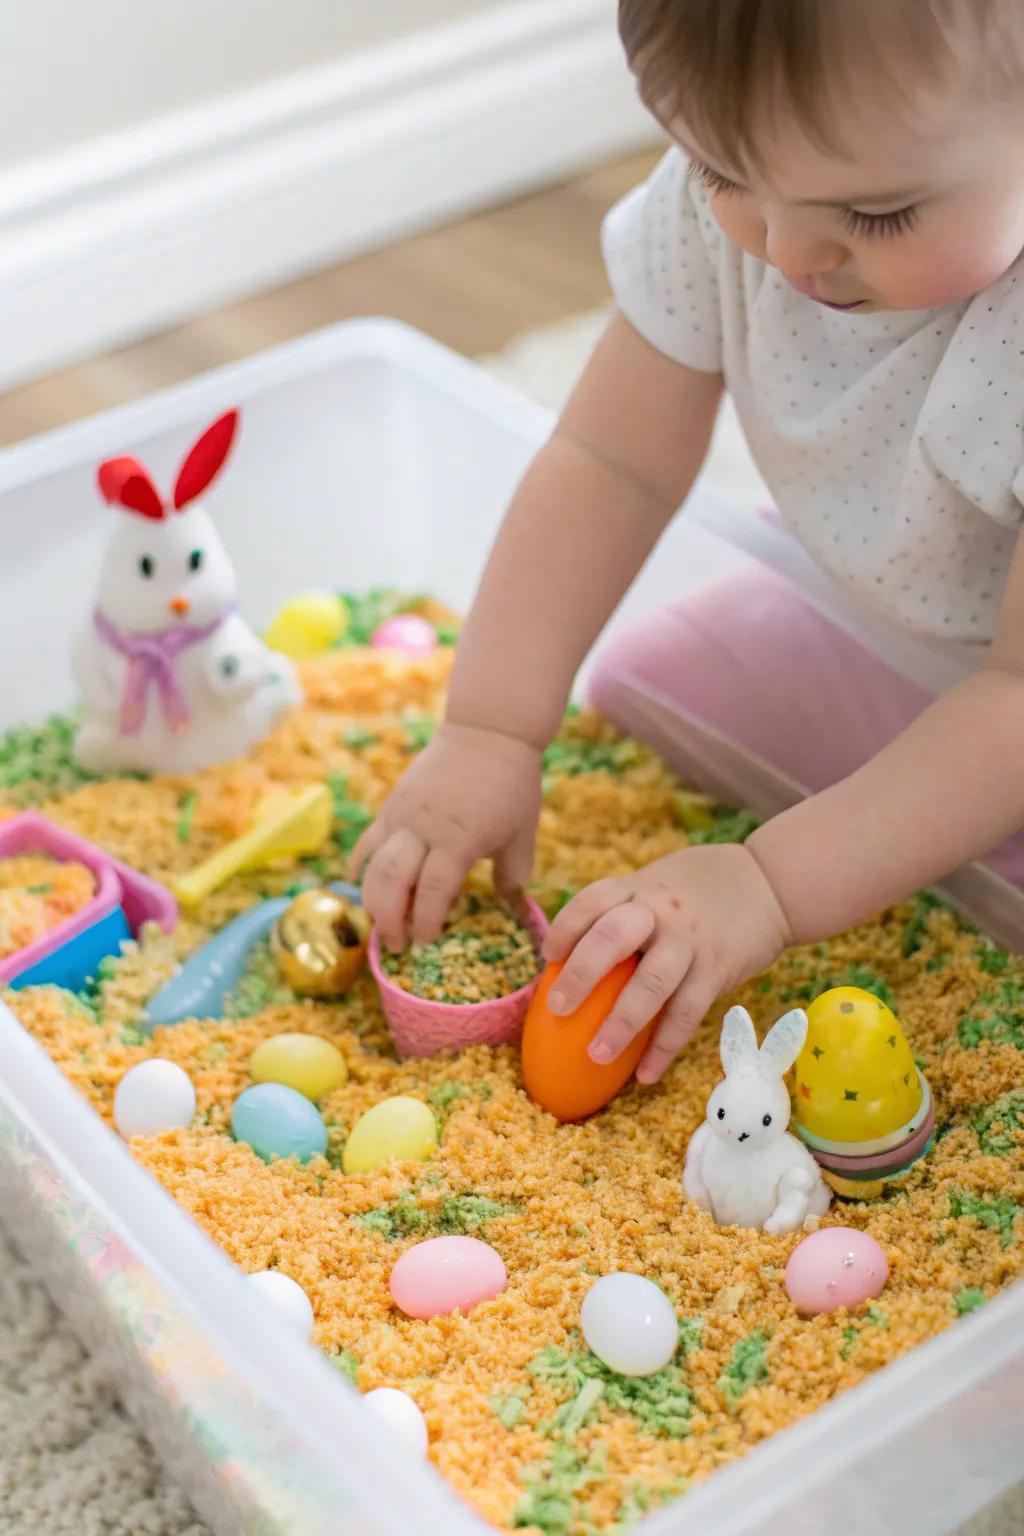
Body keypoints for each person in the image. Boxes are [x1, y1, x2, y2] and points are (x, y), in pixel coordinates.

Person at [353, 0, 1024, 1085]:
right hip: (877, 608)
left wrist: (768, 885)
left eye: (877, 211)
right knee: (636, 691)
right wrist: (489, 728)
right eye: (720, 172)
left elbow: (1014, 699)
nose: (786, 249)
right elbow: (609, 462)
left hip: (1005, 689)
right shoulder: (751, 199)